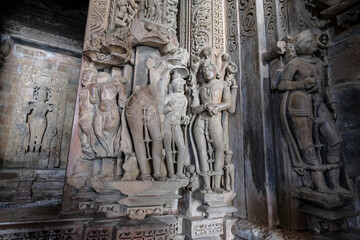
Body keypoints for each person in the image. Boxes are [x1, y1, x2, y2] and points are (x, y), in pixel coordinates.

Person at [278, 29, 346, 193]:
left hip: (320, 105)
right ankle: (320, 186)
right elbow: (282, 85)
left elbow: (325, 87)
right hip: (301, 105)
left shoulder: (320, 64)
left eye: (313, 41)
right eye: (309, 42)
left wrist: (332, 103)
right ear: (300, 47)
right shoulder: (294, 64)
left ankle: (335, 185)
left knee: (335, 141)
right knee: (308, 146)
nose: (314, 44)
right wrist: (302, 84)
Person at [192, 62, 232, 192]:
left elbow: (228, 103)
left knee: (219, 148)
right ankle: (206, 185)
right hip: (200, 121)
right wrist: (205, 106)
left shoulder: (222, 85)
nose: (206, 71)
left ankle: (216, 184)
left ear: (216, 71)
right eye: (203, 70)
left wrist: (215, 107)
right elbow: (193, 109)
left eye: (209, 68)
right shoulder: (200, 89)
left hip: (214, 119)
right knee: (202, 152)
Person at [163, 73, 190, 179]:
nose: (180, 86)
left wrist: (185, 118)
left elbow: (183, 113)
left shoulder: (184, 99)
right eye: (177, 84)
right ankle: (171, 173)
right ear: (172, 85)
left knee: (182, 147)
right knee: (168, 148)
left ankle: (179, 171)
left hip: (177, 124)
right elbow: (160, 109)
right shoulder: (169, 97)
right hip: (167, 123)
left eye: (181, 84)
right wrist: (167, 110)